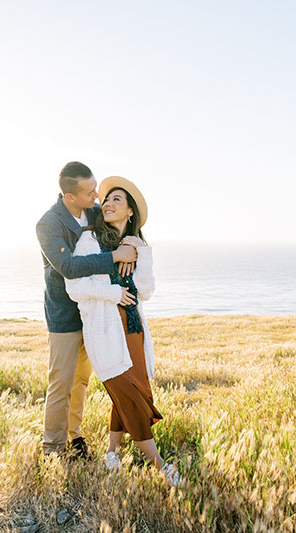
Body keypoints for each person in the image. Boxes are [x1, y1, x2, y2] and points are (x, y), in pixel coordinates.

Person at [64, 176, 180, 486]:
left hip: (133, 330)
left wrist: (141, 248)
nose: (108, 204)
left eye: (117, 200)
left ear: (130, 212)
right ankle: (160, 465)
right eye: (107, 199)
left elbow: (146, 291)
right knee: (128, 395)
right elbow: (75, 286)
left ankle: (112, 452)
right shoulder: (90, 241)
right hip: (105, 331)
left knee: (131, 392)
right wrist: (113, 294)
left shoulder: (133, 245)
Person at [36, 162, 138, 457]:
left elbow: (121, 226)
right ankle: (52, 448)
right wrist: (114, 258)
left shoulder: (94, 212)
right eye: (91, 191)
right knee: (61, 381)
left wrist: (130, 240)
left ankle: (75, 436)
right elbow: (68, 266)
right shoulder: (48, 224)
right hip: (65, 314)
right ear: (70, 197)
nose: (98, 196)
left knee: (82, 378)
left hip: (95, 311)